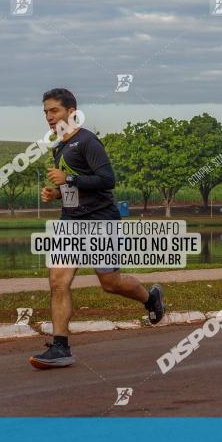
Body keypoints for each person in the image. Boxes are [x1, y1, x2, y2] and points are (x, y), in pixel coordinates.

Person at [30, 88, 165, 369]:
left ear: (71, 111)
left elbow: (107, 180)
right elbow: (73, 187)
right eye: (45, 112)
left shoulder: (87, 141)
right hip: (70, 222)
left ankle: (150, 297)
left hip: (100, 220)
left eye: (54, 111)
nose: (49, 117)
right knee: (58, 281)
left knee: (110, 284)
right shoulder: (60, 147)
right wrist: (57, 192)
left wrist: (70, 178)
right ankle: (60, 347)